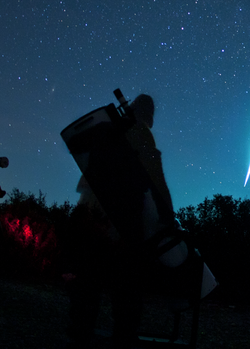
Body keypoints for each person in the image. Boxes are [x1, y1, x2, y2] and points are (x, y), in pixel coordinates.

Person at [62, 94, 176, 348]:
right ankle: (123, 336)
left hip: (92, 213)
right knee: (127, 282)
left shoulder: (106, 129)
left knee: (89, 276)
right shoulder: (140, 133)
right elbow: (155, 177)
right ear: (149, 116)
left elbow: (78, 145)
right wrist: (168, 215)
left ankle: (80, 330)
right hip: (123, 218)